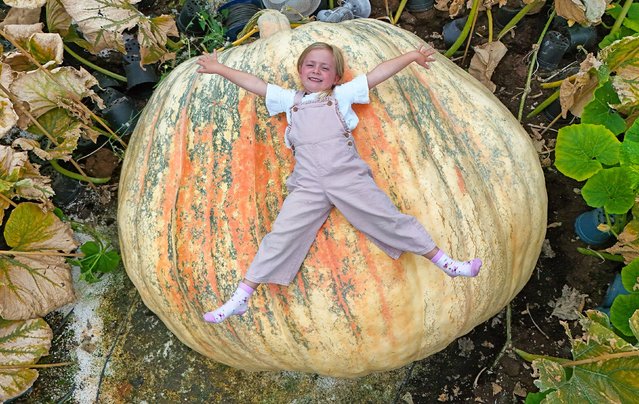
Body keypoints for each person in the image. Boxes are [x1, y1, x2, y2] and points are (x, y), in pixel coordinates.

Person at [196, 42, 482, 324]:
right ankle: (241, 296)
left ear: (336, 78)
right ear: (300, 69)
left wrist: (411, 56)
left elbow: (377, 74)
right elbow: (254, 84)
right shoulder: (288, 100)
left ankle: (448, 263)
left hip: (346, 176)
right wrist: (219, 69)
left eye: (325, 68)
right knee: (281, 235)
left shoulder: (340, 96)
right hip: (308, 183)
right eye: (310, 65)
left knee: (386, 217)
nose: (316, 71)